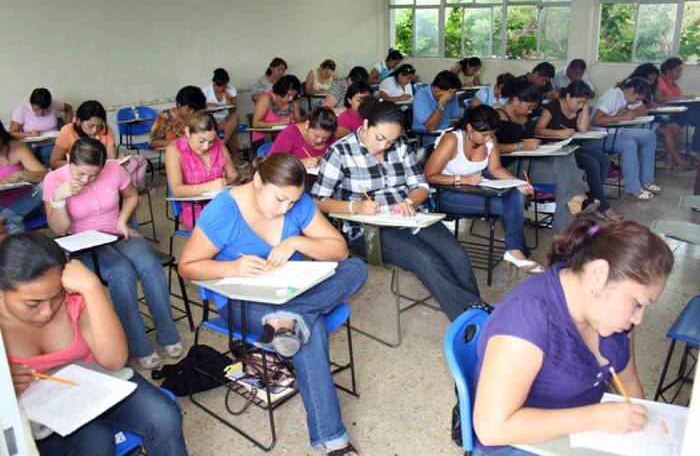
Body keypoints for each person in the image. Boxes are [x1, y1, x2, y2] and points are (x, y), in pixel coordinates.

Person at [178, 153, 367, 455]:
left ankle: (292, 318)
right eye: (279, 200)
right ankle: (333, 438)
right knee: (310, 330)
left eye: (292, 203)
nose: (286, 208)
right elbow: (187, 266)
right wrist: (232, 268)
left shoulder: (296, 201)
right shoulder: (224, 211)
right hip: (242, 304)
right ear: (257, 181)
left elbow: (338, 250)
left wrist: (296, 242)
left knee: (356, 268)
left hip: (292, 293)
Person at [471, 219, 674, 455]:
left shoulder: (610, 316)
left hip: (578, 433)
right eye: (637, 304)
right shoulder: (526, 319)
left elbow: (627, 381)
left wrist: (644, 431)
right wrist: (593, 418)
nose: (638, 318)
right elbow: (492, 429)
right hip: (517, 443)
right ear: (598, 275)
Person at [0, 233, 188, 456]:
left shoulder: (75, 297)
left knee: (164, 417)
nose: (47, 311)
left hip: (93, 388)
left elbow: (115, 360)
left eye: (57, 296)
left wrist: (93, 288)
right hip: (38, 411)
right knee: (94, 443)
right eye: (33, 303)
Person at [312, 101, 482, 321]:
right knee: (425, 260)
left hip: (409, 217)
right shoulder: (340, 152)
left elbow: (421, 186)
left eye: (390, 141)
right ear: (366, 125)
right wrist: (355, 206)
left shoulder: (400, 145)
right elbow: (318, 200)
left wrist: (410, 202)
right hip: (368, 229)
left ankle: (476, 313)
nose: (384, 146)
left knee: (455, 253)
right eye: (379, 138)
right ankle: (472, 320)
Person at [43, 138, 182, 369]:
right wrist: (59, 199)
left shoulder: (113, 169)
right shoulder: (54, 179)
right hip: (84, 245)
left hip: (117, 233)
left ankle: (168, 335)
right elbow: (59, 229)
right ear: (68, 159)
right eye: (80, 174)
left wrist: (122, 221)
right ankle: (139, 346)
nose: (87, 180)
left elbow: (131, 195)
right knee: (121, 272)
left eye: (93, 175)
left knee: (149, 263)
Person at [424, 105, 541, 273]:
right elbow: (429, 175)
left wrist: (518, 182)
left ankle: (515, 252)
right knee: (510, 206)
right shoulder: (452, 140)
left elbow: (496, 169)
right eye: (484, 135)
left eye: (491, 135)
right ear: (469, 128)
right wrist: (461, 179)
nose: (488, 139)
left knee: (515, 193)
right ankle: (518, 252)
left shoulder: (489, 139)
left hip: (473, 190)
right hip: (447, 194)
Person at [495, 77, 597, 234]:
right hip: (511, 166)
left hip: (531, 160)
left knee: (565, 156)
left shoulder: (524, 115)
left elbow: (529, 137)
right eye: (529, 107)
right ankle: (576, 203)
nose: (530, 112)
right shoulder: (498, 116)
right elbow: (492, 149)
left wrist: (544, 145)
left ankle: (571, 211)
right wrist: (520, 146)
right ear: (515, 101)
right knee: (563, 178)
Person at [534, 81, 622, 222]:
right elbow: (538, 130)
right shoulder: (552, 107)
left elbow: (583, 129)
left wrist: (585, 108)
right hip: (555, 148)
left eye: (584, 102)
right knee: (592, 163)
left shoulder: (580, 108)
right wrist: (558, 133)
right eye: (579, 102)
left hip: (571, 146)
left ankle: (593, 199)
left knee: (604, 160)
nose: (580, 105)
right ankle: (602, 205)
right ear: (568, 96)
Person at [165, 111, 238, 231]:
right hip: (196, 212)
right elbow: (177, 190)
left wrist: (224, 183)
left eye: (211, 141)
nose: (206, 147)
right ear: (188, 132)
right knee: (230, 229)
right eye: (201, 141)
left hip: (223, 204)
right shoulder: (175, 150)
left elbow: (233, 175)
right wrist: (209, 187)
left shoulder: (218, 145)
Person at [591, 77, 660, 200]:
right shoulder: (613, 96)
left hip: (616, 131)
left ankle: (647, 180)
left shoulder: (628, 96)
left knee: (649, 135)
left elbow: (642, 111)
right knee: (629, 144)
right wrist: (621, 118)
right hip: (598, 135)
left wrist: (628, 114)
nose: (637, 102)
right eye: (637, 98)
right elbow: (595, 120)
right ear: (631, 90)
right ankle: (633, 188)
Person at [628, 63, 693, 171]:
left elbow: (650, 103)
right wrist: (651, 106)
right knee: (669, 129)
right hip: (636, 120)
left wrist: (654, 105)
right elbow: (639, 107)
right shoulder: (633, 87)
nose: (653, 81)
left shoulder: (651, 85)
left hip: (647, 118)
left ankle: (670, 160)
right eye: (651, 78)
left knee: (674, 126)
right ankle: (676, 159)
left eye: (654, 79)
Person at [0, 121, 46, 234]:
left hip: (27, 202)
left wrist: (23, 175)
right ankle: (8, 219)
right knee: (13, 224)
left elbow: (43, 174)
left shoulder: (15, 147)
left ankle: (5, 217)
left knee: (47, 184)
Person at [9, 88, 73, 165]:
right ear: (31, 103)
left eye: (45, 110)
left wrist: (66, 126)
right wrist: (29, 134)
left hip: (57, 141)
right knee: (55, 154)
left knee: (76, 150)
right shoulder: (22, 111)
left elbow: (69, 108)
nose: (41, 113)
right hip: (37, 146)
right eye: (37, 109)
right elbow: (12, 133)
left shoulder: (54, 104)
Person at [50, 100, 115, 169]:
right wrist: (79, 164)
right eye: (90, 126)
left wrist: (118, 160)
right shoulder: (68, 130)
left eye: (98, 126)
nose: (95, 130)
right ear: (78, 121)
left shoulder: (105, 130)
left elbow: (111, 159)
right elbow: (54, 162)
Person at [656, 57, 700, 157]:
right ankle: (696, 149)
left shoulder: (673, 83)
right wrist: (681, 97)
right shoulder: (659, 81)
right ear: (668, 70)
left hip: (679, 111)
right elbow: (659, 99)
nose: (679, 74)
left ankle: (696, 147)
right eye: (678, 71)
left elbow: (678, 99)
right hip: (668, 113)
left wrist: (688, 99)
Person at [269, 107, 337, 170]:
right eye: (316, 136)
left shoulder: (330, 135)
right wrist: (299, 164)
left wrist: (321, 158)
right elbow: (272, 161)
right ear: (307, 124)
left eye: (325, 138)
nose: (319, 140)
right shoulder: (291, 133)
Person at [202, 67, 242, 165]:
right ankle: (234, 156)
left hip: (226, 121)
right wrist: (207, 104)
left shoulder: (231, 90)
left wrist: (227, 98)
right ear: (214, 83)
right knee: (233, 129)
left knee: (234, 119)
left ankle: (222, 144)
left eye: (223, 86)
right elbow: (199, 110)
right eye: (218, 86)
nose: (220, 89)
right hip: (211, 121)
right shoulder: (205, 91)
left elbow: (234, 109)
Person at [251, 75, 303, 143]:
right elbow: (256, 123)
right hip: (265, 139)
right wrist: (279, 123)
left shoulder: (294, 101)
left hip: (288, 137)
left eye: (294, 95)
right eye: (289, 95)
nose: (291, 98)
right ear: (281, 90)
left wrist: (295, 122)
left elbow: (299, 120)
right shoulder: (266, 98)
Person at [412, 70, 462, 135]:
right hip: (427, 135)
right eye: (451, 92)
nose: (452, 95)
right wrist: (442, 103)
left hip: (448, 132)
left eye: (454, 92)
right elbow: (431, 128)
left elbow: (455, 117)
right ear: (437, 88)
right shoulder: (421, 96)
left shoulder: (451, 94)